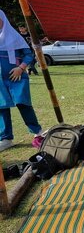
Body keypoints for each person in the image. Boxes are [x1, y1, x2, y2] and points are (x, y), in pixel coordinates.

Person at [0, 9, 43, 151]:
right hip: (0, 81)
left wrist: (21, 67)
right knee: (1, 107)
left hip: (16, 78)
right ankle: (6, 138)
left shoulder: (15, 37)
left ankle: (37, 133)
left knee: (23, 104)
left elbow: (28, 54)